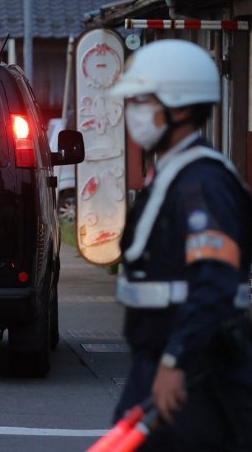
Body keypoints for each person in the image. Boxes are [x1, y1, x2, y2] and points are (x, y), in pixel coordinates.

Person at [109, 38, 252, 450]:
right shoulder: (173, 176)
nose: (132, 112)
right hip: (160, 363)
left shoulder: (202, 185)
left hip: (195, 373)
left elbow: (214, 283)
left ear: (181, 107)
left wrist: (176, 362)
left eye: (141, 101)